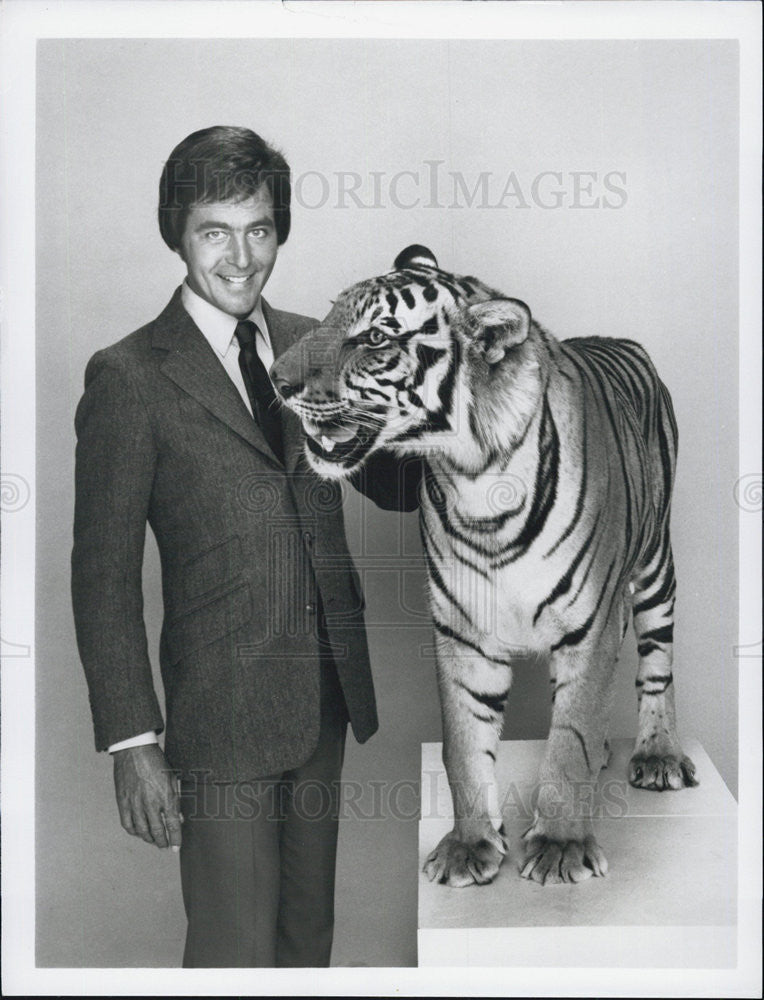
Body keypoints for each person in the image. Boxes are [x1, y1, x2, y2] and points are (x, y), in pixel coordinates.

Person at [71, 125, 419, 968]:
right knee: (233, 957)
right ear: (178, 235)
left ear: (279, 229)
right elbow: (103, 577)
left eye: (258, 229)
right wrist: (133, 743)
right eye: (214, 231)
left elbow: (401, 489)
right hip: (219, 714)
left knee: (307, 948)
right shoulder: (131, 377)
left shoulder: (318, 341)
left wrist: (433, 381)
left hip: (327, 701)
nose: (241, 256)